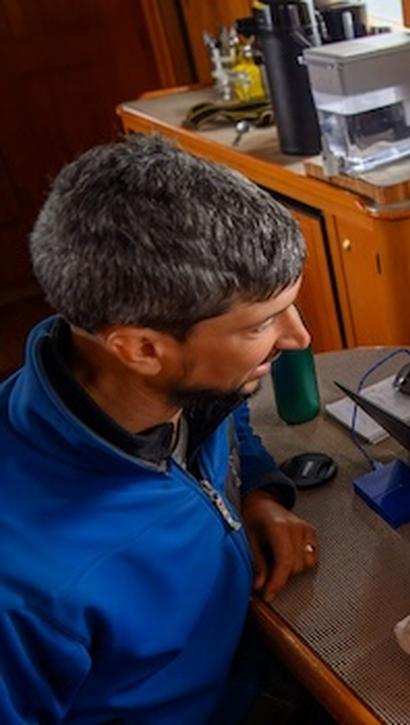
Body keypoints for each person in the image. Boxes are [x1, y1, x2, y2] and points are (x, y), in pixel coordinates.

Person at [0, 134, 320, 721]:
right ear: (144, 348)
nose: (299, 338)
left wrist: (256, 492)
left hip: (255, 661)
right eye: (263, 324)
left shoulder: (149, 372)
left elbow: (225, 414)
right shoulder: (25, 589)